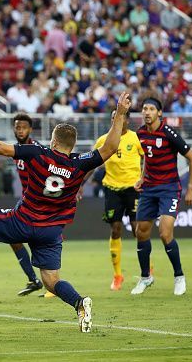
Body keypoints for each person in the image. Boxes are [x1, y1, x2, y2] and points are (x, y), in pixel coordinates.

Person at [0, 92, 132, 333]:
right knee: (52, 282)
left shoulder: (37, 152)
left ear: (53, 142)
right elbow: (110, 146)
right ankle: (79, 303)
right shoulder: (79, 163)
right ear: (71, 145)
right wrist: (121, 113)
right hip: (51, 232)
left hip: (22, 221)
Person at [131, 98, 192, 296]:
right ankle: (146, 278)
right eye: (144, 109)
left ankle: (179, 276)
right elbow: (147, 159)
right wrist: (142, 178)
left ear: (159, 113)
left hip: (169, 189)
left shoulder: (169, 133)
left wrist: (191, 188)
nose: (147, 112)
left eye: (152, 109)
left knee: (165, 232)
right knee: (141, 232)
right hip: (149, 189)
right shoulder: (140, 133)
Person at [79, 110, 144, 291]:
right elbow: (92, 163)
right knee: (116, 229)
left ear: (127, 120)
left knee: (138, 230)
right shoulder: (103, 140)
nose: (116, 120)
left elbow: (148, 158)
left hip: (133, 188)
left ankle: (146, 269)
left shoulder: (135, 138)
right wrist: (82, 183)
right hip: (112, 189)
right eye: (114, 117)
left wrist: (145, 177)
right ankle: (117, 275)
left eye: (120, 117)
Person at [11, 114, 45, 296]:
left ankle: (51, 285)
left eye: (23, 127)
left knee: (41, 242)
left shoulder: (35, 149)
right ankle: (34, 280)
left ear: (30, 129)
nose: (20, 130)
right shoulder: (17, 150)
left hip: (38, 204)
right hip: (26, 201)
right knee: (13, 239)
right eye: (17, 127)